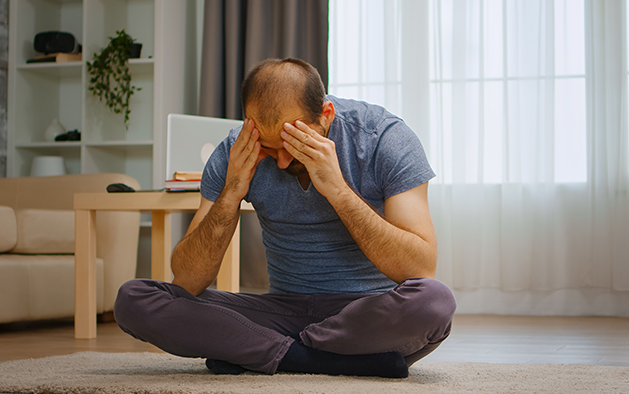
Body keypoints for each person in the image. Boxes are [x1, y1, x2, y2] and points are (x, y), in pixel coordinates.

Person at [114, 58, 456, 378]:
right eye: (268, 147)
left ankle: (258, 352)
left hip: (366, 316)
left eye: (292, 144)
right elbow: (187, 280)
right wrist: (231, 191)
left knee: (434, 302)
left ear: (326, 114)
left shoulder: (383, 138)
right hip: (280, 311)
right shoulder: (238, 149)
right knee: (135, 299)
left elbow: (419, 269)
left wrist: (337, 190)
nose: (278, 162)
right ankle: (320, 359)